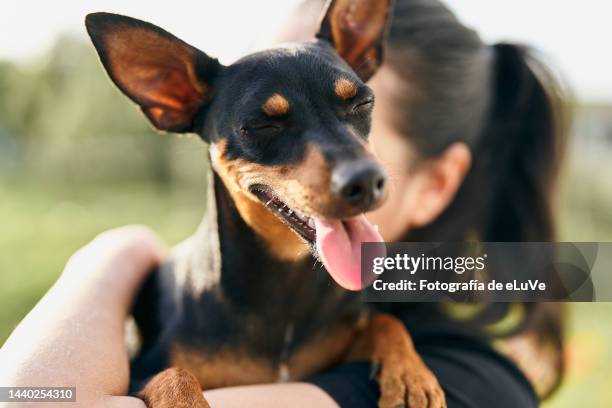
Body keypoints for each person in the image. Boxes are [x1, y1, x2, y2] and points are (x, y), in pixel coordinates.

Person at [0, 0, 567, 406]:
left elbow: (32, 400)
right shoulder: (410, 281)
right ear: (176, 99)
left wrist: (110, 257)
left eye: (353, 109)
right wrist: (117, 251)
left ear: (437, 184)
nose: (348, 164)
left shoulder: (470, 383)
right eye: (267, 122)